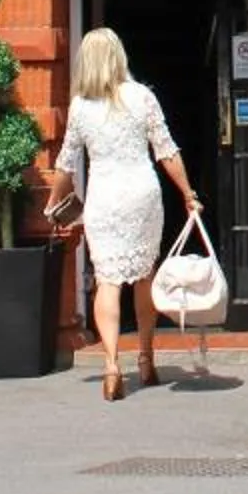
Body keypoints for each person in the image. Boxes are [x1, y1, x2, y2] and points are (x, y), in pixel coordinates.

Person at [53, 28, 202, 399]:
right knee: (144, 275)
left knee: (107, 280)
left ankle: (110, 365)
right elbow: (166, 151)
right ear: (119, 57)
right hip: (141, 194)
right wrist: (188, 193)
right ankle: (146, 359)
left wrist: (53, 203)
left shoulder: (80, 107)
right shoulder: (142, 96)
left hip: (103, 197)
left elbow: (65, 165)